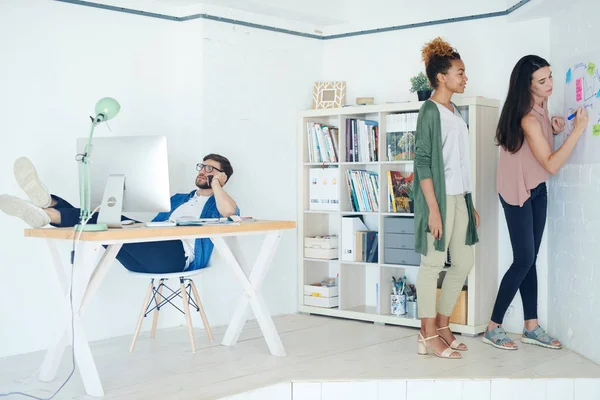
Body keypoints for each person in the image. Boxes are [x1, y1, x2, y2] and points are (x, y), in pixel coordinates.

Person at [484, 55, 588, 350]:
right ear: (526, 86)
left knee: (529, 259)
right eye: (542, 81)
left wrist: (553, 129)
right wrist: (577, 130)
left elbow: (537, 151)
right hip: (517, 192)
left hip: (536, 189)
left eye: (551, 77)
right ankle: (494, 327)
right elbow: (552, 164)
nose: (550, 84)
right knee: (523, 260)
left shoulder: (540, 108)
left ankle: (531, 325)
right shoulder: (527, 118)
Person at [0, 154, 239, 273]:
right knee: (104, 217)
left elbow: (229, 212)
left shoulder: (220, 204)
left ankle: (47, 209)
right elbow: (155, 227)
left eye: (210, 169)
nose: (202, 171)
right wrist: (138, 227)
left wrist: (216, 184)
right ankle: (46, 203)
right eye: (201, 166)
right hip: (147, 253)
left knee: (106, 218)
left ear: (222, 176)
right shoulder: (178, 199)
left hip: (176, 258)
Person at [413, 37, 479, 360]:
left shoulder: (455, 111)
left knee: (464, 261)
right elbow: (423, 162)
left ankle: (442, 325)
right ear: (441, 77)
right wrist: (434, 210)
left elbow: (459, 163)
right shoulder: (429, 110)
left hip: (459, 197)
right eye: (460, 72)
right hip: (437, 199)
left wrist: (469, 203)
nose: (465, 78)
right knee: (432, 264)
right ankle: (426, 334)